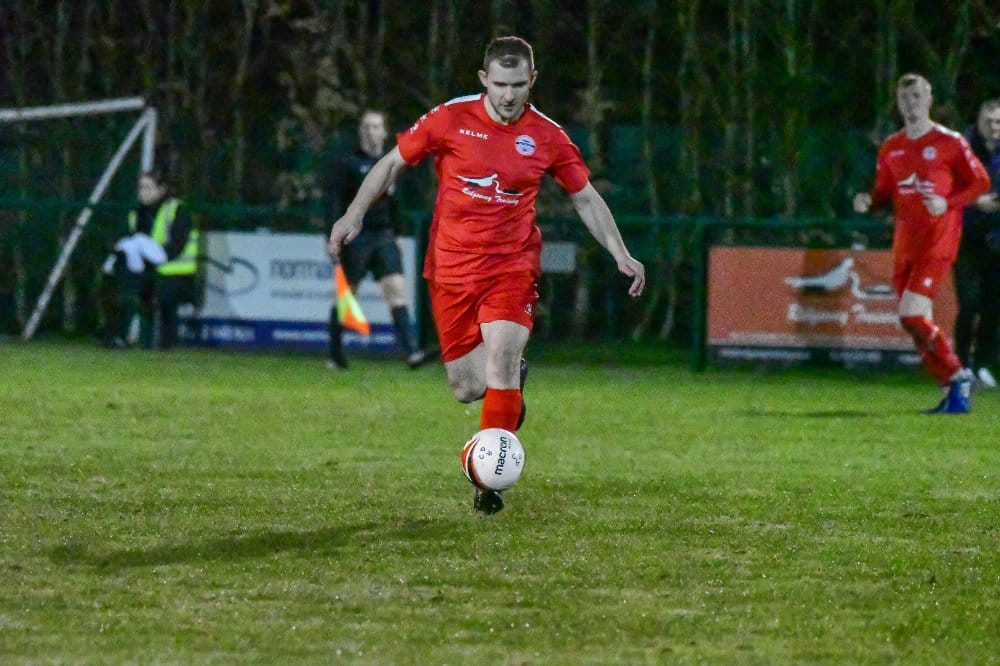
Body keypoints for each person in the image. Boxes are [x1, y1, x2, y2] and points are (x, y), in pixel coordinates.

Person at [329, 36, 645, 514]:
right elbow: (391, 162)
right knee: (467, 388)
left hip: (511, 267)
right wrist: (354, 214)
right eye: (500, 84)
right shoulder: (451, 118)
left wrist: (620, 252)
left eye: (518, 85)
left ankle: (489, 483)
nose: (509, 95)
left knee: (501, 359)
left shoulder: (547, 136)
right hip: (452, 269)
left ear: (532, 80)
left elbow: (584, 196)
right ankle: (506, 396)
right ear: (484, 79)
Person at [853, 73, 991, 414]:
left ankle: (958, 375)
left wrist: (948, 202)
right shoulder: (891, 146)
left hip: (937, 242)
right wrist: (869, 202)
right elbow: (883, 191)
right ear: (898, 104)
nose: (910, 103)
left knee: (911, 313)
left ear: (929, 99)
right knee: (912, 321)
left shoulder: (950, 142)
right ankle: (953, 394)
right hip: (905, 245)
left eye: (916, 96)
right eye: (904, 98)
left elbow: (981, 183)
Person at [324, 110, 433, 370]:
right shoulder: (349, 164)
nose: (370, 131)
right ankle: (335, 354)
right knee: (347, 295)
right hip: (356, 236)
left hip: (383, 235)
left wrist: (397, 234)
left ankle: (412, 352)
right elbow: (333, 202)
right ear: (360, 131)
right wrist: (332, 236)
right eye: (366, 126)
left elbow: (394, 204)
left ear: (384, 132)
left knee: (396, 290)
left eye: (375, 127)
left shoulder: (390, 163)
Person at [953, 99, 1000, 389]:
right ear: (979, 121)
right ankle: (959, 365)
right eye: (989, 122)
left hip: (997, 238)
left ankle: (983, 364)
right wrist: (975, 201)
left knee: (993, 306)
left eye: (999, 123)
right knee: (969, 304)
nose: (994, 127)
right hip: (966, 238)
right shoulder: (962, 149)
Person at [128, 168, 199, 350]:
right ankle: (145, 343)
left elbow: (178, 242)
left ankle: (167, 346)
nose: (143, 192)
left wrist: (154, 257)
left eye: (148, 187)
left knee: (167, 306)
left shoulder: (177, 209)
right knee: (142, 303)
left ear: (161, 189)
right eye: (141, 187)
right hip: (150, 269)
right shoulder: (137, 212)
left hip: (175, 270)